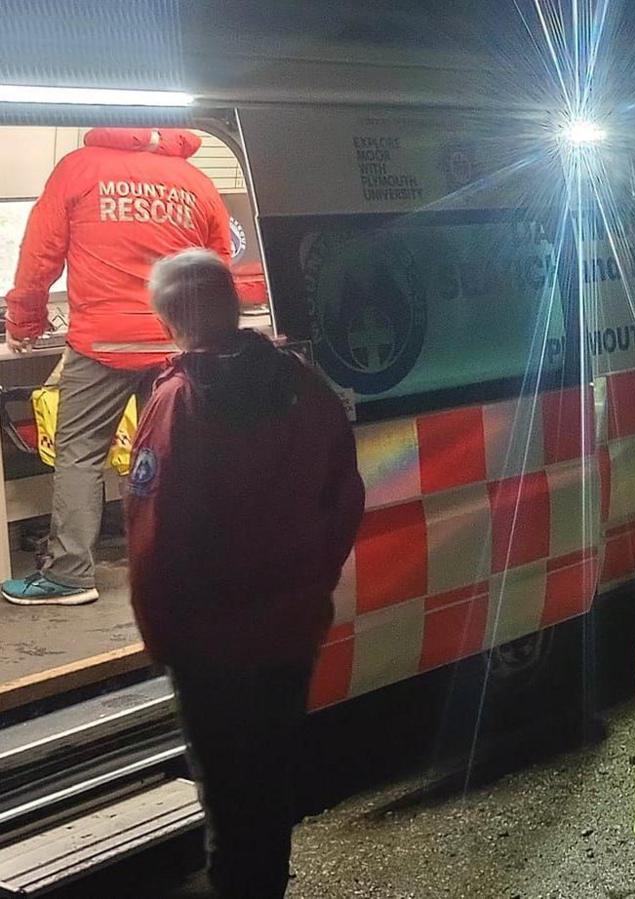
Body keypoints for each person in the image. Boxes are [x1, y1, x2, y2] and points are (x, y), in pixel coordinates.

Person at [124, 249, 364, 899]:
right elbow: (346, 494)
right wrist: (311, 581)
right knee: (270, 775)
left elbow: (154, 539)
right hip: (291, 630)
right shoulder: (300, 382)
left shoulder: (177, 402)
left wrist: (160, 636)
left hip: (212, 647)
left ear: (170, 318)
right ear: (231, 305)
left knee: (229, 795)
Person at [4, 128, 233, 606]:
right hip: (177, 343)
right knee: (180, 454)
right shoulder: (195, 179)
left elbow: (39, 255)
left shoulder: (79, 168)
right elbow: (219, 266)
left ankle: (70, 576)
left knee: (81, 454)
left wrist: (24, 322)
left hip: (102, 342)